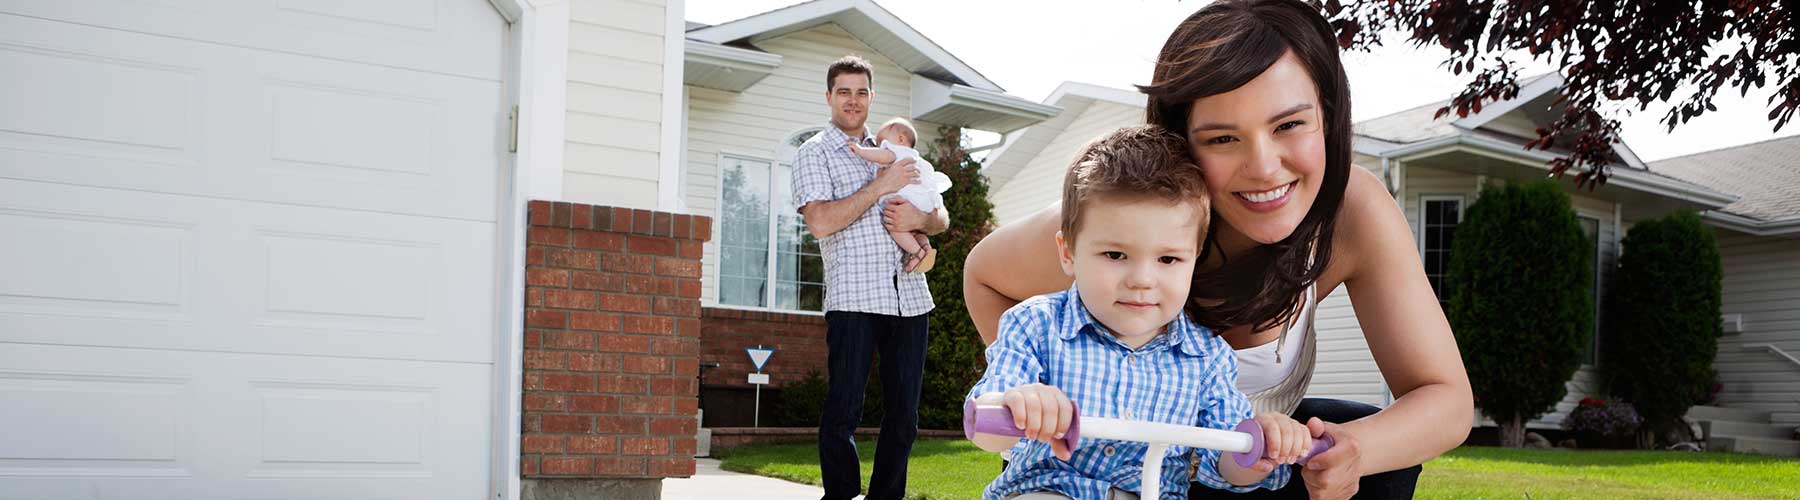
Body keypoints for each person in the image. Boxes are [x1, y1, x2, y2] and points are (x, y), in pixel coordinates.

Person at [961, 1, 1474, 499]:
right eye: (1223, 138)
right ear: (1179, 141)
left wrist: (1355, 451)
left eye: (1289, 125)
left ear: (1329, 116)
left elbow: (1446, 399)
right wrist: (1035, 400)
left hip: (1237, 457)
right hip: (1092, 464)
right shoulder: (1117, 226)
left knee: (1360, 440)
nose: (1264, 168)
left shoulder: (1352, 211)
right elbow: (984, 273)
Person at [966, 126, 1306, 500]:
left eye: (1168, 259)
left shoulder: (1207, 358)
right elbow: (986, 428)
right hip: (1050, 490)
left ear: (1194, 259)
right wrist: (1018, 403)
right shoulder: (1034, 325)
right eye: (1115, 255)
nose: (1142, 280)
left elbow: (1223, 466)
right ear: (1068, 252)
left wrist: (1260, 446)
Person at [793, 54, 949, 500]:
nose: (853, 100)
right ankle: (840, 494)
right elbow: (821, 222)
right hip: (854, 298)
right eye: (844, 91)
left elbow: (940, 213)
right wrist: (881, 185)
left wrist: (924, 218)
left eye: (861, 92)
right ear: (829, 96)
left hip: (909, 297)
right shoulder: (814, 153)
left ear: (871, 97)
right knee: (844, 409)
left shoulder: (896, 147)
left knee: (905, 415)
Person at [847, 117, 954, 273]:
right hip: (923, 202)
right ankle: (925, 247)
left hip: (905, 199)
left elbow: (883, 156)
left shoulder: (897, 152)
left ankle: (917, 253)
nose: (880, 146)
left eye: (882, 142)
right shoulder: (917, 159)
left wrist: (860, 151)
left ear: (901, 139)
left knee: (895, 226)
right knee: (916, 231)